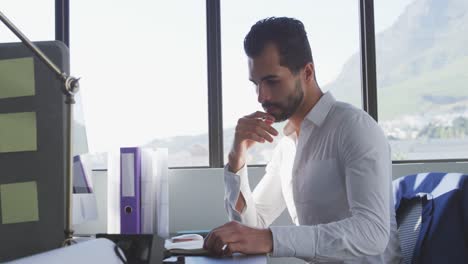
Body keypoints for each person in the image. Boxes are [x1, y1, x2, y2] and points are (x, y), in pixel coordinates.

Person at [203, 17, 401, 263]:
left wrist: (269, 239)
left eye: (272, 81)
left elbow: (372, 234)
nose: (261, 96)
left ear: (307, 72)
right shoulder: (287, 146)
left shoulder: (354, 127)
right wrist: (236, 159)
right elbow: (253, 227)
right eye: (256, 83)